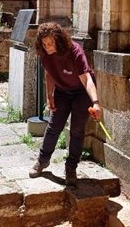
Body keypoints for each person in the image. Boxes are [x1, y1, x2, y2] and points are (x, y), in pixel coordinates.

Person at [28, 22, 101, 186]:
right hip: (62, 91)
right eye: (44, 44)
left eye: (51, 43)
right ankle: (42, 160)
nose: (47, 47)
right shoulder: (45, 53)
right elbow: (49, 73)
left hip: (81, 91)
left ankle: (71, 167)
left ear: (59, 41)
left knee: (76, 129)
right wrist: (50, 96)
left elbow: (86, 79)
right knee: (54, 126)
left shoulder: (74, 51)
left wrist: (95, 103)